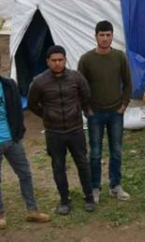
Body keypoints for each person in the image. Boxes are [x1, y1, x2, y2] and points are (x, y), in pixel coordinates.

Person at [0, 50, 50, 229]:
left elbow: (17, 109)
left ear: (1, 66)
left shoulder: (9, 85)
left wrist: (19, 132)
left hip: (13, 140)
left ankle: (32, 211)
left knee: (25, 174)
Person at [28, 45, 95, 215]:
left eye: (60, 60)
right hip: (54, 132)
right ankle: (64, 200)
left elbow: (86, 96)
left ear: (65, 60)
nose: (57, 63)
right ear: (47, 62)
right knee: (58, 166)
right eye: (54, 60)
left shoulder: (76, 78)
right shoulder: (39, 81)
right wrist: (47, 115)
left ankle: (89, 196)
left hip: (75, 130)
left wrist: (80, 111)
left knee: (82, 163)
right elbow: (32, 104)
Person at [77, 20, 132, 203]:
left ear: (112, 36)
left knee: (116, 151)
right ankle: (94, 188)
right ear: (96, 36)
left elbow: (128, 82)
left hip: (116, 112)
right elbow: (80, 86)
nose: (105, 38)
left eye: (108, 35)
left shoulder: (119, 57)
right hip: (96, 114)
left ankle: (115, 186)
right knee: (95, 153)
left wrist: (123, 105)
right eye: (102, 35)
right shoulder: (86, 59)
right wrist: (87, 109)